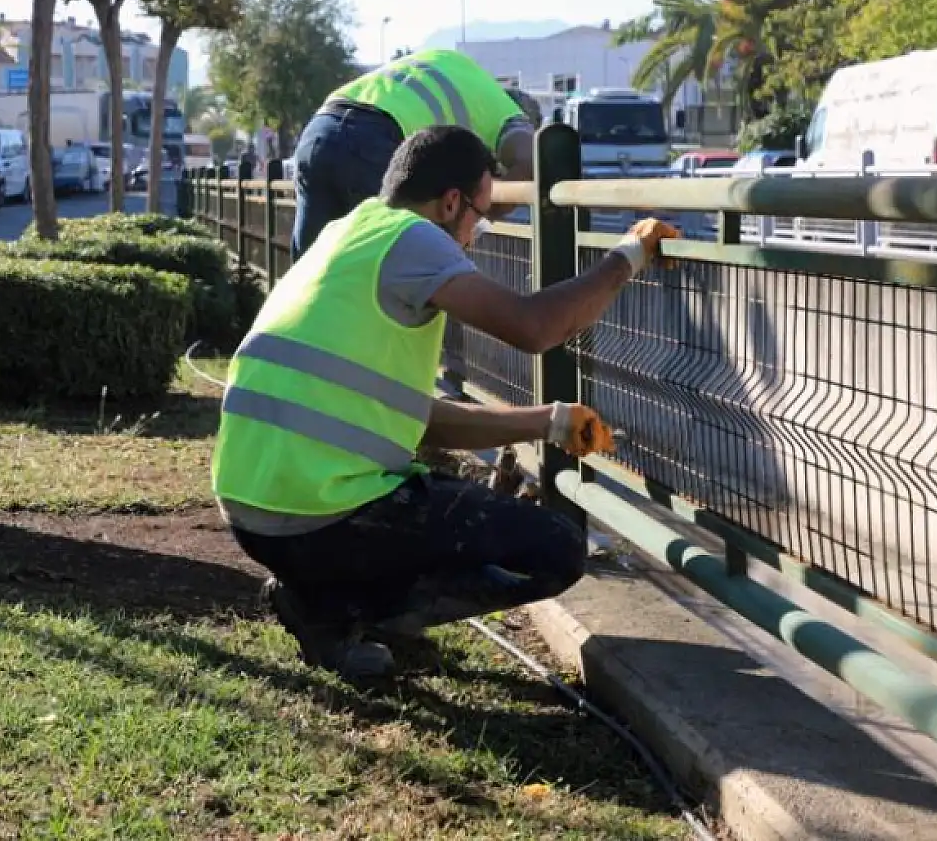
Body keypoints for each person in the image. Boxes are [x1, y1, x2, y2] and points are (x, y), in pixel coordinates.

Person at [212, 125, 681, 681]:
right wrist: (629, 254)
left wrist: (549, 421)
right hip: (318, 513)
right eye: (479, 219)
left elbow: (411, 419)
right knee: (556, 548)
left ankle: (325, 598)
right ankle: (331, 610)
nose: (475, 239)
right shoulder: (414, 238)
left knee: (453, 515)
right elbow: (534, 327)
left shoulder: (349, 232)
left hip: (252, 508)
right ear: (451, 202)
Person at [290, 48, 537, 259]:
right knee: (405, 274)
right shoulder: (508, 115)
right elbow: (528, 161)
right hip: (374, 139)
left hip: (320, 131)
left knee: (311, 269)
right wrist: (483, 212)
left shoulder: (454, 65)